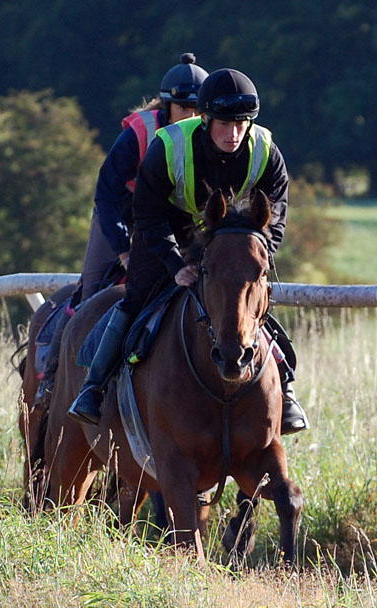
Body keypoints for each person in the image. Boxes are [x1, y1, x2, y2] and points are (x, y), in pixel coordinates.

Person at [68, 67, 308, 435]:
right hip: (166, 223)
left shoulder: (267, 151)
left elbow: (276, 213)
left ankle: (285, 387)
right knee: (137, 297)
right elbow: (146, 214)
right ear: (206, 119)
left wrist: (259, 255)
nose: (234, 134)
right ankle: (93, 388)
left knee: (244, 298)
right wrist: (174, 263)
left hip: (226, 230)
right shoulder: (168, 146)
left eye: (241, 124)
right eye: (225, 124)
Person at [33, 54, 208, 407]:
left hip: (176, 221)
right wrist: (124, 251)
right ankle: (52, 377)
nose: (192, 118)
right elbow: (107, 197)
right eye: (184, 109)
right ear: (168, 106)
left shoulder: (212, 135)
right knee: (93, 288)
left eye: (197, 110)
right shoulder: (136, 136)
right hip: (122, 217)